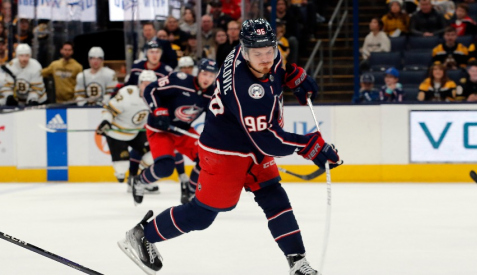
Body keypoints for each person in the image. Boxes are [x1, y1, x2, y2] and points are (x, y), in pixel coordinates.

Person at [118, 18, 342, 275]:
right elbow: (269, 140)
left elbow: (277, 67)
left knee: (275, 197)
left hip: (250, 145)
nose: (266, 58)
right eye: (258, 54)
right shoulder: (246, 89)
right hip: (225, 152)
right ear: (245, 52)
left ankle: (297, 262)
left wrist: (292, 74)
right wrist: (310, 145)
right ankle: (142, 235)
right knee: (203, 215)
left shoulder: (252, 51)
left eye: (270, 50)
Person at [129, 58, 219, 206]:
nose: (207, 79)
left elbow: (215, 117)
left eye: (211, 75)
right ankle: (140, 181)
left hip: (183, 131)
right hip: (160, 130)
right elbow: (150, 89)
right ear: (198, 72)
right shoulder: (179, 80)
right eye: (204, 74)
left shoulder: (213, 93)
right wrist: (157, 110)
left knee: (207, 159)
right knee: (165, 168)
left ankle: (189, 192)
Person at [96, 70, 159, 194]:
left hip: (137, 132)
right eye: (144, 84)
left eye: (150, 84)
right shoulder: (127, 93)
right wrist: (106, 122)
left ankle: (136, 180)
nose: (147, 87)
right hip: (117, 133)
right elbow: (109, 109)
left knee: (154, 155)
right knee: (122, 168)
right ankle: (121, 172)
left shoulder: (156, 97)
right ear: (139, 84)